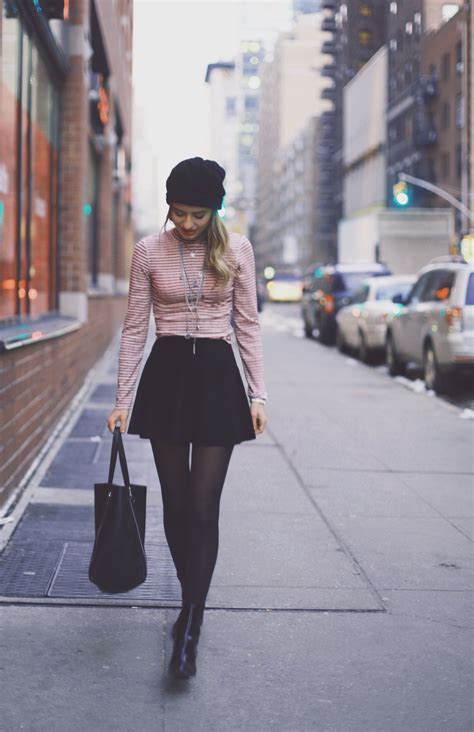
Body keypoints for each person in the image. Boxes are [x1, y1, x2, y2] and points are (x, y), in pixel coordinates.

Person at [106, 157, 267, 680]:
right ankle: (189, 600)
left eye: (198, 214)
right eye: (178, 213)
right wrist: (121, 399)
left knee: (203, 504)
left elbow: (248, 324)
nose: (188, 224)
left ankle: (192, 621)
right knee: (176, 503)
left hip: (220, 378)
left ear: (214, 211)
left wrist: (258, 394)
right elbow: (134, 328)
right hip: (168, 376)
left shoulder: (236, 249)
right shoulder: (147, 251)